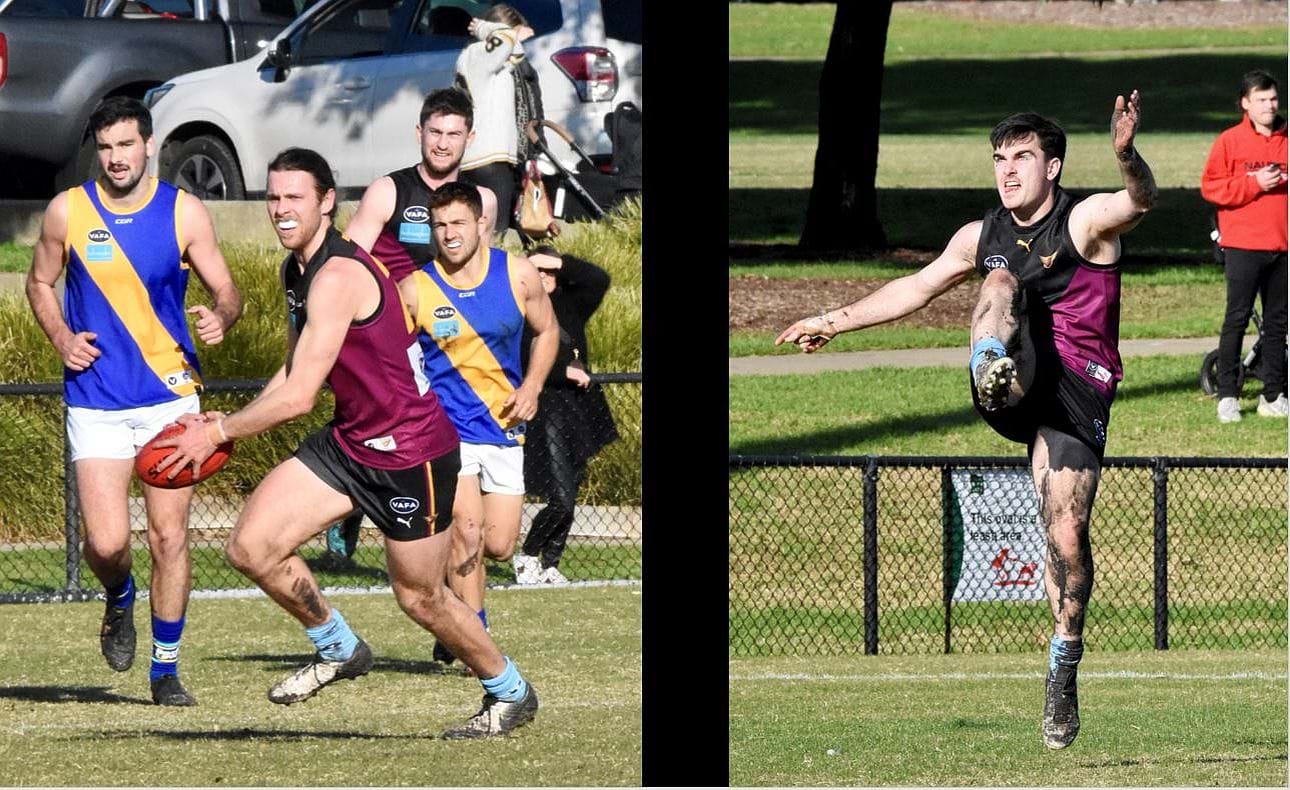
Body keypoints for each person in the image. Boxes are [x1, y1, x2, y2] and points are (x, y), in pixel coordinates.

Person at [776, 91, 1158, 751]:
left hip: (1076, 395)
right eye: (999, 160)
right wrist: (830, 322)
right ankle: (988, 362)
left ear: (1055, 166)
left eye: (1023, 158)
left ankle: (1064, 661)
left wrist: (1127, 157)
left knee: (1066, 533)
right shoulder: (984, 235)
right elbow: (916, 288)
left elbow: (1138, 202)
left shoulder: (1084, 220)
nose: (1008, 171)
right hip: (1009, 378)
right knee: (999, 281)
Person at [154, 148, 538, 738]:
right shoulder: (298, 271)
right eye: (274, 198)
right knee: (252, 547)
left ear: (327, 202)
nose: (281, 210)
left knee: (421, 598)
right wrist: (238, 412)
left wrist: (218, 431)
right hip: (352, 442)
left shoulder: (337, 276)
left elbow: (300, 396)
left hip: (413, 452)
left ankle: (509, 691)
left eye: (294, 198)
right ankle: (338, 646)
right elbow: (295, 367)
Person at [25, 96, 243, 707]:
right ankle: (118, 598)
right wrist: (62, 337)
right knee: (107, 544)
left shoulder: (185, 212)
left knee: (170, 539)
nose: (116, 158)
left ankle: (165, 669)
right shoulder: (67, 211)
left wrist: (222, 316)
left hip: (169, 399)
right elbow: (39, 281)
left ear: (149, 145)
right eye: (106, 147)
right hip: (95, 398)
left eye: (127, 145)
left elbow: (228, 290)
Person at [321, 87, 499, 568]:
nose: (443, 143)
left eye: (454, 134)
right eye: (435, 132)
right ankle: (350, 510)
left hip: (452, 349)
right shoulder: (390, 191)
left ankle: (438, 550)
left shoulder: (483, 199)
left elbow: (483, 276)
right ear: (419, 133)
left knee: (440, 447)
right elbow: (346, 261)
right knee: (375, 433)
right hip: (391, 349)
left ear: (470, 138)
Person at [395, 181, 557, 665]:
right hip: (445, 431)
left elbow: (547, 332)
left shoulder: (518, 274)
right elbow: (392, 358)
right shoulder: (415, 288)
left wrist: (531, 388)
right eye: (439, 225)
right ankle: (473, 637)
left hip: (504, 428)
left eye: (457, 223)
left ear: (482, 224)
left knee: (500, 545)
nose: (448, 234)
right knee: (465, 529)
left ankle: (452, 615)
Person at [512, 247, 619, 585]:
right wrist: (563, 371)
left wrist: (555, 262)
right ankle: (528, 554)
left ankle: (551, 562)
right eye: (536, 272)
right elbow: (524, 361)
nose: (543, 278)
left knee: (572, 487)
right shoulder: (521, 312)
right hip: (547, 406)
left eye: (549, 273)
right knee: (560, 495)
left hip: (579, 407)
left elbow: (598, 279)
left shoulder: (571, 302)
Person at [1200, 68, 1287, 423]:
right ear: (1245, 103)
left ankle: (1273, 394)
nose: (1270, 105)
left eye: (1274, 99)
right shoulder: (1229, 141)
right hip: (1243, 246)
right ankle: (1228, 395)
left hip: (1284, 246)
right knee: (1236, 320)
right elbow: (1211, 188)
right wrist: (1253, 183)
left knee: (1277, 324)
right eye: (1262, 100)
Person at [455, 4, 535, 235]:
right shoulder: (478, 56)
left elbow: (513, 50)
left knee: (490, 231)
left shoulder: (496, 64)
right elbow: (506, 37)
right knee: (493, 234)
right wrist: (483, 27)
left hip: (495, 162)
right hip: (485, 160)